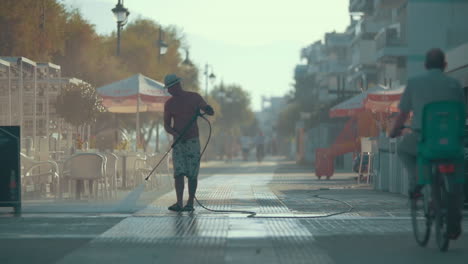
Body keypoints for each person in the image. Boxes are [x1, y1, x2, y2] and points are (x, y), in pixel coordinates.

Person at [389, 48, 465, 237]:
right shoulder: (455, 84)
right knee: (456, 179)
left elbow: (403, 114)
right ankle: (454, 221)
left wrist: (393, 131)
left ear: (425, 65)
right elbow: (462, 112)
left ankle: (418, 181)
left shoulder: (414, 83)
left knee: (403, 150)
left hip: (424, 139)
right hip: (452, 142)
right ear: (445, 65)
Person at [163, 74, 214, 212]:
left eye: (169, 88)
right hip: (178, 143)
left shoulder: (194, 97)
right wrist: (175, 134)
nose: (168, 91)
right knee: (178, 173)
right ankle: (179, 203)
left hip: (192, 141)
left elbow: (206, 108)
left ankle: (190, 203)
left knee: (192, 174)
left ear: (177, 85)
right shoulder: (169, 104)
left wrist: (208, 109)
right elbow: (166, 125)